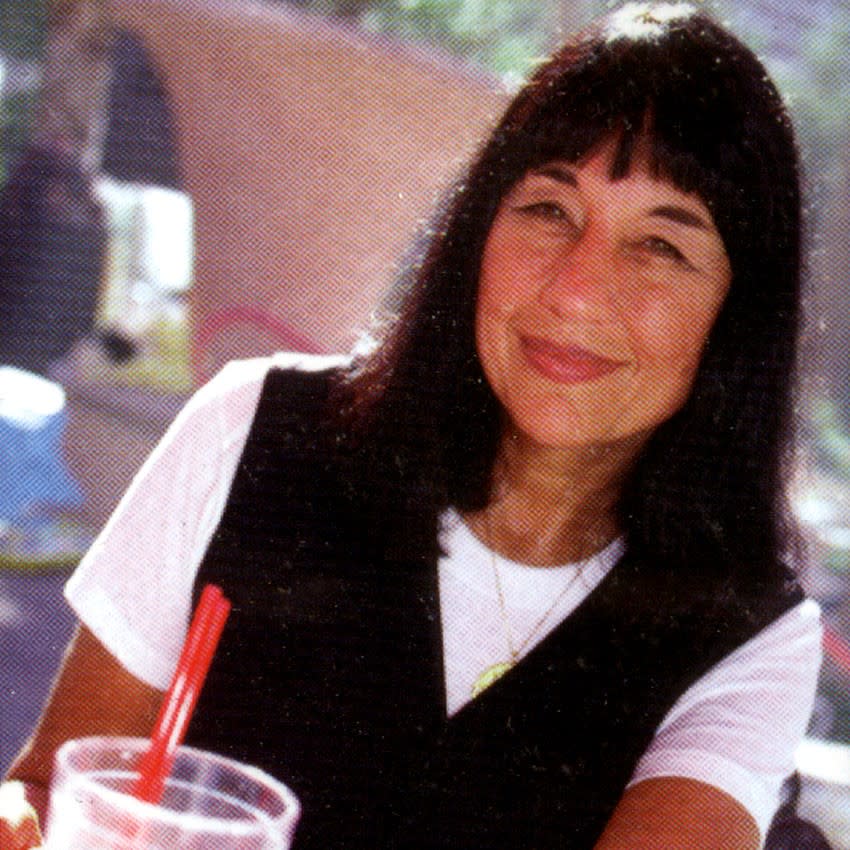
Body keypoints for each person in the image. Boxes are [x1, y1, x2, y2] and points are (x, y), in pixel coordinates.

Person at [1, 3, 822, 848]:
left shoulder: (752, 638)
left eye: (661, 246)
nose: (576, 289)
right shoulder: (252, 430)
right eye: (549, 211)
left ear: (736, 317)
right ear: (479, 231)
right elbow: (51, 792)